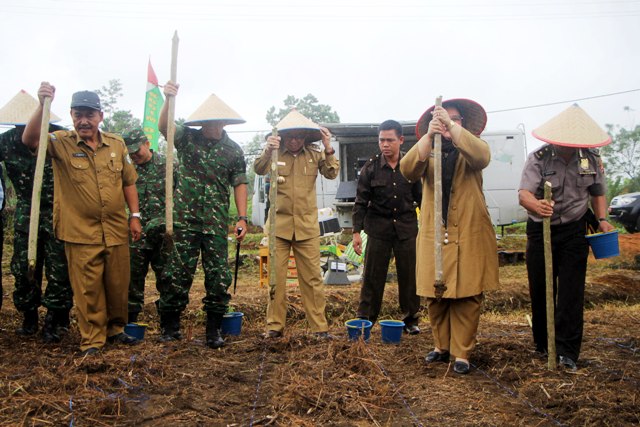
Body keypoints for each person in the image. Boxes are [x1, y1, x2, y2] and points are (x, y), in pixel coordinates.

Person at [22, 82, 142, 356]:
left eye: (89, 114)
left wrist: (134, 216)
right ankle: (92, 340)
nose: (84, 121)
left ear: (100, 116)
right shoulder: (60, 142)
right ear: (72, 115)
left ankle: (116, 330)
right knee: (88, 290)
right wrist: (42, 105)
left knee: (117, 284)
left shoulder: (116, 144)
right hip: (79, 231)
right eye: (78, 114)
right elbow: (30, 140)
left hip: (114, 229)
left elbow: (128, 182)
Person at [400, 98, 499, 375]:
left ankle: (462, 353)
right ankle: (441, 347)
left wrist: (452, 129)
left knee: (468, 294)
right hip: (435, 231)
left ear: (462, 123)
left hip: (468, 229)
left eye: (454, 119)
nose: (447, 122)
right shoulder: (429, 150)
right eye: (443, 118)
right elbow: (408, 170)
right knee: (436, 292)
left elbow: (482, 158)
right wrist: (430, 135)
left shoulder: (472, 147)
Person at [518, 104, 614, 371]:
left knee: (572, 292)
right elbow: (524, 194)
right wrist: (536, 205)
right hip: (541, 230)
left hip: (574, 230)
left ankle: (568, 351)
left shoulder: (590, 159)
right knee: (542, 288)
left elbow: (597, 192)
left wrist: (603, 219)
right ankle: (544, 344)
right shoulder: (539, 158)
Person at [158, 83, 248, 349]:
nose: (212, 126)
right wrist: (168, 98)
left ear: (223, 122)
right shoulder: (187, 138)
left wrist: (242, 218)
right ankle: (170, 326)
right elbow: (164, 127)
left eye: (216, 121)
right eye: (207, 121)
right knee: (178, 273)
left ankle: (213, 329)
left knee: (218, 275)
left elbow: (240, 183)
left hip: (215, 223)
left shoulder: (233, 151)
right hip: (185, 221)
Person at [254, 110, 339, 339]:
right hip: (279, 227)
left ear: (305, 137)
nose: (294, 141)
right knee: (277, 278)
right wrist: (267, 150)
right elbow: (258, 169)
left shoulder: (315, 154)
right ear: (282, 136)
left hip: (307, 227)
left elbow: (331, 173)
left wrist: (328, 146)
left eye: (298, 137)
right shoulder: (274, 153)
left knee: (312, 279)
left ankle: (319, 328)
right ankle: (274, 326)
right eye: (290, 136)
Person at [0, 90, 73, 342]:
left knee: (59, 269)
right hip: (25, 214)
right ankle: (29, 316)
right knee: (24, 268)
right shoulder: (5, 142)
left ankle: (57, 319)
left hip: (57, 213)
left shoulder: (57, 136)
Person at [352, 119, 422, 334]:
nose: (385, 145)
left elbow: (423, 199)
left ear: (401, 140)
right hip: (378, 228)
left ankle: (411, 320)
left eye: (390, 140)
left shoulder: (412, 165)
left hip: (406, 228)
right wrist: (356, 233)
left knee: (409, 276)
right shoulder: (371, 167)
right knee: (373, 276)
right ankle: (366, 319)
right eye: (382, 140)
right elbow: (361, 201)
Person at [123, 129, 174, 324]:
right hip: (136, 233)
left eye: (137, 150)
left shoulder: (168, 165)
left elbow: (179, 196)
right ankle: (131, 321)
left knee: (166, 277)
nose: (135, 155)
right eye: (130, 153)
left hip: (163, 234)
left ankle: (168, 323)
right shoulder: (126, 170)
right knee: (132, 279)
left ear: (146, 143)